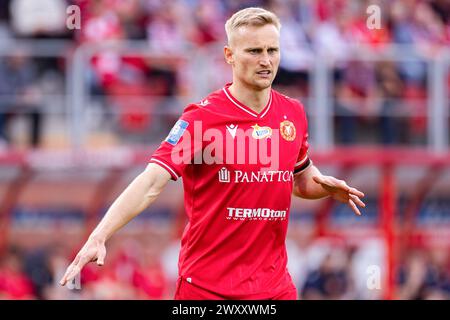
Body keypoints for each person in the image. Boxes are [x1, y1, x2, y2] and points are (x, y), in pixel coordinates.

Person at [60, 7, 365, 300]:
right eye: (254, 51)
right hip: (208, 288)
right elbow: (152, 181)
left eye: (272, 51)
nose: (266, 61)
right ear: (229, 56)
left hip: (274, 287)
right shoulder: (202, 119)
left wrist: (322, 186)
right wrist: (99, 235)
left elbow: (300, 178)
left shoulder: (292, 113)